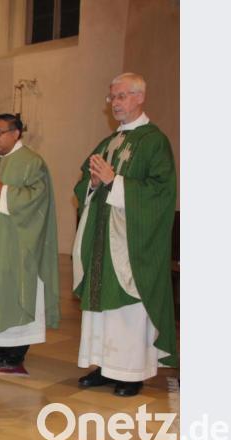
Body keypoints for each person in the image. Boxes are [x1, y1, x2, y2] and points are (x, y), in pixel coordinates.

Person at [73, 73, 177, 397]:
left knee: (128, 305)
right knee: (102, 303)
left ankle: (131, 372)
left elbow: (161, 191)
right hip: (102, 239)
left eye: (121, 96)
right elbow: (84, 183)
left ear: (139, 97)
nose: (115, 103)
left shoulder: (154, 141)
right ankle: (104, 366)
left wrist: (114, 181)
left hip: (131, 243)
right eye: (112, 97)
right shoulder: (109, 142)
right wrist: (92, 183)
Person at [0, 114, 60, 367]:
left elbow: (38, 196)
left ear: (16, 133)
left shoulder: (32, 162)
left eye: (0, 132)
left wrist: (4, 191)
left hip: (17, 244)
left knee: (14, 286)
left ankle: (17, 346)